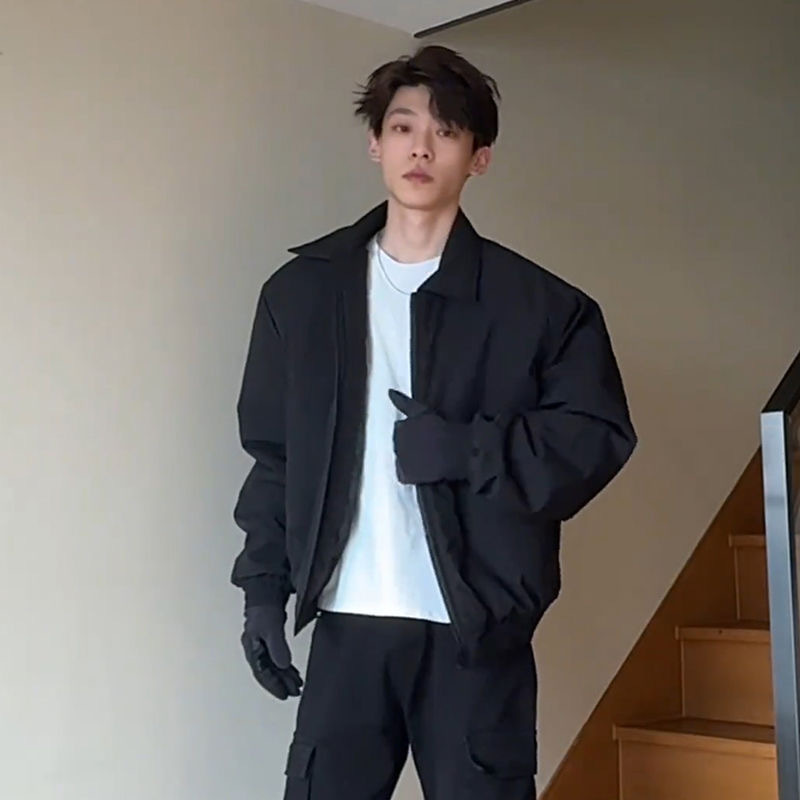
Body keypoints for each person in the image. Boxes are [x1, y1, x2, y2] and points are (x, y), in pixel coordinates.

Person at [231, 44, 637, 800]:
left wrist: (467, 449)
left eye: (446, 131)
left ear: (479, 157)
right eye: (403, 126)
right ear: (375, 143)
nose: (421, 147)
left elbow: (596, 437)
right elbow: (276, 455)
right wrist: (262, 590)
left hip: (475, 636)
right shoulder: (301, 297)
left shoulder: (544, 308)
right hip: (347, 622)